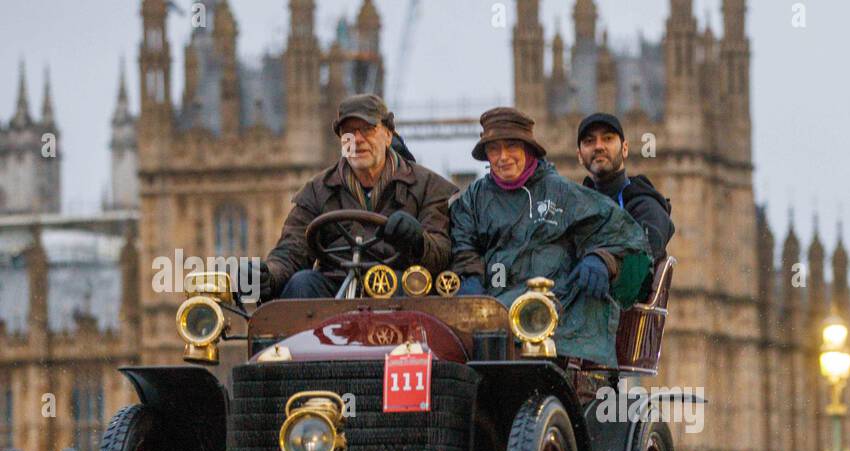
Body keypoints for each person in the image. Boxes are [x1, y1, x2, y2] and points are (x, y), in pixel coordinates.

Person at [449, 107, 652, 367]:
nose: (503, 157)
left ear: (528, 149)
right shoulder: (474, 197)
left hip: (553, 311)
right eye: (494, 149)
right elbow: (462, 241)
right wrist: (470, 277)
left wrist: (601, 259)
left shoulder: (561, 192)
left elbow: (625, 234)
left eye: (511, 147)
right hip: (490, 308)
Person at [245, 94, 458, 301]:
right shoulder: (317, 190)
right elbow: (292, 250)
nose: (357, 140)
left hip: (400, 288)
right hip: (335, 288)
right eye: (348, 132)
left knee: (411, 286)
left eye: (367, 129)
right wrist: (268, 275)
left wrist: (419, 240)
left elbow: (442, 252)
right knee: (302, 283)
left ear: (388, 134)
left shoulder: (427, 185)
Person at [576, 112, 675, 261]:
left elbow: (643, 256)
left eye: (607, 138)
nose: (598, 146)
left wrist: (604, 263)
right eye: (589, 141)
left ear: (625, 148)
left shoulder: (645, 205)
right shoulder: (575, 208)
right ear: (579, 156)